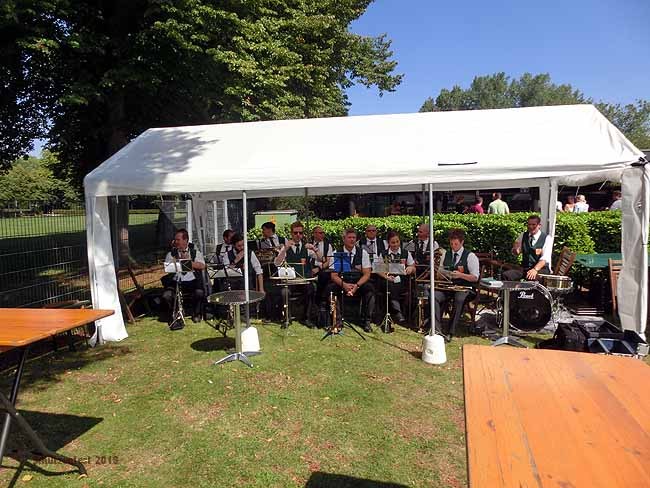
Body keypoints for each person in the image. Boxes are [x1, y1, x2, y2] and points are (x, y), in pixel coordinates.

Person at [326, 228, 376, 332]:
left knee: (370, 290)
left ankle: (366, 321)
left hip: (358, 282)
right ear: (344, 239)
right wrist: (344, 285)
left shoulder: (363, 253)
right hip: (343, 281)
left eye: (354, 237)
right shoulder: (337, 253)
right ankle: (337, 321)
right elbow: (334, 275)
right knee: (331, 289)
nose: (352, 240)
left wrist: (357, 286)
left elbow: (367, 273)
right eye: (349, 237)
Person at [434, 229, 479, 341]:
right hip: (449, 287)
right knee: (435, 296)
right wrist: (444, 273)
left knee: (459, 299)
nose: (453, 246)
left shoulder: (470, 256)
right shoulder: (446, 254)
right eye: (451, 244)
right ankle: (437, 328)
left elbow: (475, 277)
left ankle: (450, 331)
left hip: (466, 288)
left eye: (456, 244)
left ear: (462, 242)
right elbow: (440, 273)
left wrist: (460, 275)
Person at [273, 221, 318, 327]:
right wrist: (285, 249)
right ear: (291, 233)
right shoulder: (285, 247)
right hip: (290, 281)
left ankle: (306, 318)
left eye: (300, 233)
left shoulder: (306, 247)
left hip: (303, 280)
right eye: (295, 233)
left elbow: (321, 259)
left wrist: (314, 249)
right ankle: (287, 318)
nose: (298, 235)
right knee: (284, 292)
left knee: (311, 288)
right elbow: (277, 263)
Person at [162, 228, 206, 328]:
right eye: (175, 240)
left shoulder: (195, 252)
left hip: (192, 281)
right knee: (167, 295)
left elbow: (202, 265)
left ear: (185, 240)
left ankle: (196, 313)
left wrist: (188, 262)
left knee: (199, 292)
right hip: (176, 281)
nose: (176, 242)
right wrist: (176, 262)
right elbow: (167, 268)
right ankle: (176, 314)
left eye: (178, 240)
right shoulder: (171, 253)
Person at [377, 231, 416, 325]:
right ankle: (398, 312)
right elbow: (379, 270)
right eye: (393, 242)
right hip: (388, 279)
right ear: (388, 243)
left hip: (402, 280)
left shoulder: (406, 253)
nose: (395, 244)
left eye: (397, 242)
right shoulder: (384, 253)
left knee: (397, 286)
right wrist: (386, 277)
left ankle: (397, 311)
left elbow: (413, 267)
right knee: (389, 286)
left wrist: (410, 268)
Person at [503, 215, 553, 281]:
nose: (531, 227)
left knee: (532, 278)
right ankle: (511, 288)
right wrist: (515, 249)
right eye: (529, 224)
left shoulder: (547, 238)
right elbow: (516, 252)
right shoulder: (523, 235)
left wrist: (535, 269)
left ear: (539, 225)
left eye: (533, 225)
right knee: (506, 275)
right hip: (525, 268)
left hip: (541, 269)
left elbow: (544, 259)